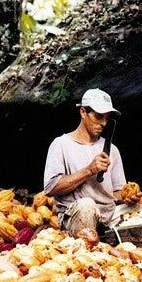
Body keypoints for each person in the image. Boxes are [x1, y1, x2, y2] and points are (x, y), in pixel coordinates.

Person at [44, 88, 126, 233]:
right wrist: (89, 170)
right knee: (86, 205)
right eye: (99, 116)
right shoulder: (61, 145)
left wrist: (129, 196)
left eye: (107, 118)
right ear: (83, 112)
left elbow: (118, 192)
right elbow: (50, 188)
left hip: (108, 217)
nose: (103, 123)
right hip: (77, 216)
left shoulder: (112, 149)